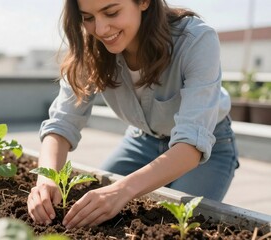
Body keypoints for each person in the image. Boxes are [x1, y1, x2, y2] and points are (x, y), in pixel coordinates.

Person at [27, 0, 239, 229]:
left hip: (207, 146)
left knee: (176, 224)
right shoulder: (89, 49)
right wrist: (47, 180)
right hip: (142, 139)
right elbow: (61, 124)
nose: (100, 29)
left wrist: (122, 190)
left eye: (111, 12)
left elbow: (191, 145)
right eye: (88, 18)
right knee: (90, 206)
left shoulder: (195, 40)